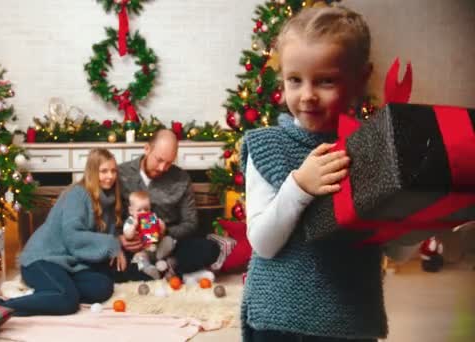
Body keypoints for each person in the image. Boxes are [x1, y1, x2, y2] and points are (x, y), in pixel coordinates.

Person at [240, 6, 417, 341]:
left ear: (360, 79)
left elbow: (397, 251)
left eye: (326, 81)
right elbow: (263, 243)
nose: (307, 95)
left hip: (349, 316)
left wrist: (420, 217)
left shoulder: (374, 148)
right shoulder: (267, 146)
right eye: (295, 80)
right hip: (278, 317)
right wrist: (299, 186)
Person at [0, 148, 126, 316]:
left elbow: (105, 234)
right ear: (92, 172)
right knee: (67, 300)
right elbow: (73, 237)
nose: (110, 176)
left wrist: (118, 241)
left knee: (102, 287)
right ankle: (2, 307)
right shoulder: (77, 194)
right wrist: (110, 243)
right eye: (104, 171)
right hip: (43, 258)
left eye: (113, 171)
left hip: (69, 263)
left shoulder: (108, 199)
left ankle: (49, 294)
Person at [115, 129, 225, 282]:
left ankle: (165, 268)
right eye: (159, 160)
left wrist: (165, 231)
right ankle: (173, 272)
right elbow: (106, 215)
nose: (162, 168)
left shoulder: (181, 178)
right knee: (112, 264)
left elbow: (191, 223)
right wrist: (119, 239)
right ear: (147, 149)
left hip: (170, 244)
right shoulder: (121, 173)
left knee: (210, 249)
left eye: (168, 163)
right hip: (135, 247)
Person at [122, 190, 176, 279]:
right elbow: (128, 235)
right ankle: (150, 269)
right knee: (139, 259)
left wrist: (161, 226)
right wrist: (134, 226)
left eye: (146, 209)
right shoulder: (131, 221)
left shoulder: (152, 217)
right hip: (142, 250)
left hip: (157, 248)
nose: (143, 212)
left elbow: (161, 232)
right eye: (139, 210)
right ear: (131, 210)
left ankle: (161, 260)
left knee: (168, 240)